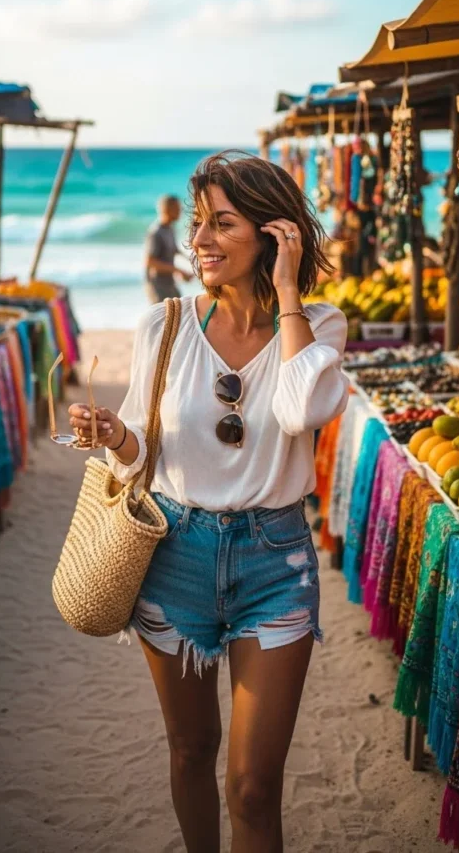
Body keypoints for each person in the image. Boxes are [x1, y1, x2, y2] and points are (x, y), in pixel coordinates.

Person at [69, 152, 348, 853]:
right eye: (198, 223)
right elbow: (142, 449)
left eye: (223, 223)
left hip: (276, 564)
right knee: (192, 750)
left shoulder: (318, 327)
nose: (200, 241)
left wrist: (286, 294)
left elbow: (299, 412)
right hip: (174, 556)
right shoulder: (161, 326)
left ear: (274, 234)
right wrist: (114, 436)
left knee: (254, 787)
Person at [145, 195, 192, 303]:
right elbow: (150, 262)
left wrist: (193, 260)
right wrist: (179, 271)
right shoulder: (156, 232)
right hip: (158, 286)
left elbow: (174, 250)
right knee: (166, 316)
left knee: (181, 308)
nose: (181, 211)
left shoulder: (170, 228)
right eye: (177, 208)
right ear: (167, 210)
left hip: (170, 282)